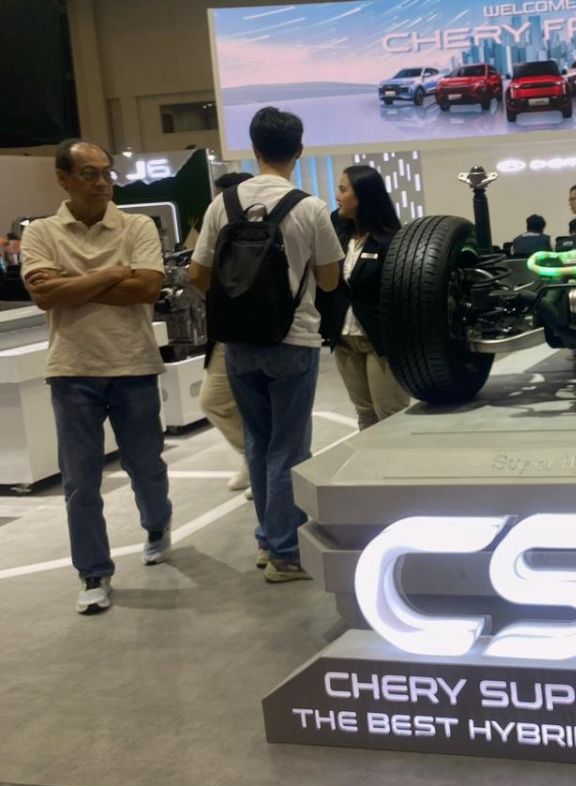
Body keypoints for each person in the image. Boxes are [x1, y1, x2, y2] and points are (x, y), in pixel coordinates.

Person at [189, 107, 342, 582]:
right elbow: (330, 280)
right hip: (293, 340)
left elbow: (198, 274)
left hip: (238, 343)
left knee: (257, 442)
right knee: (289, 447)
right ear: (299, 151)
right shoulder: (310, 207)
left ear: (254, 149)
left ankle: (267, 539)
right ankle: (285, 552)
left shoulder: (222, 205)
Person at [21, 138, 173, 615]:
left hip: (134, 364)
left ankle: (157, 524)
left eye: (107, 173)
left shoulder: (137, 225)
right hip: (72, 370)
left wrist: (71, 285)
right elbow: (44, 297)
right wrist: (113, 273)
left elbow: (147, 288)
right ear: (63, 179)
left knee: (146, 466)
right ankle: (92, 572)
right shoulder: (41, 232)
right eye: (90, 174)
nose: (103, 182)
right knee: (80, 481)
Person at [325, 165, 411, 430]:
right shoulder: (338, 235)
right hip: (343, 340)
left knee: (391, 414)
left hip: (380, 342)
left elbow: (401, 294)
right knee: (365, 413)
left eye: (342, 190)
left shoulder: (392, 241)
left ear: (363, 195)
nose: (337, 196)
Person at [199, 171, 254, 494]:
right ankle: (252, 456)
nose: (217, 204)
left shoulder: (267, 229)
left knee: (265, 405)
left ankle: (267, 466)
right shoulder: (215, 231)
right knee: (213, 400)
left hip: (270, 333)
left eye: (221, 197)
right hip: (225, 332)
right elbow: (198, 274)